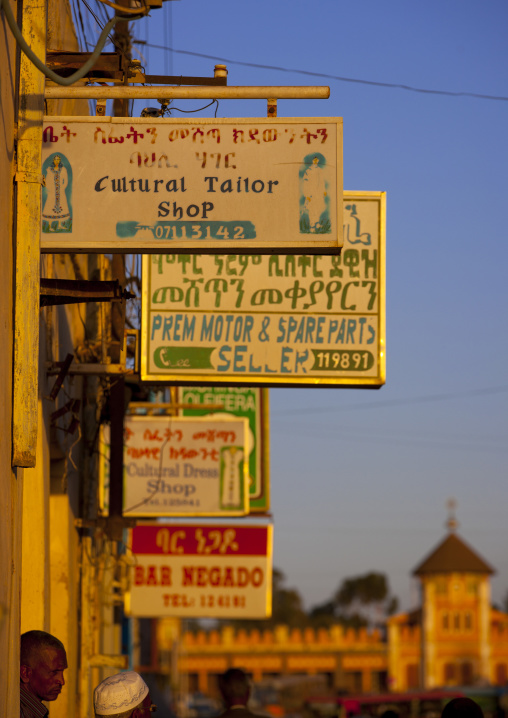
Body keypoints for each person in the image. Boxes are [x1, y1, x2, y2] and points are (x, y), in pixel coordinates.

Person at [20, 630, 68, 718]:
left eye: (62, 671)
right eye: (54, 672)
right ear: (25, 673)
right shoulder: (18, 713)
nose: (62, 681)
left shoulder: (33, 712)